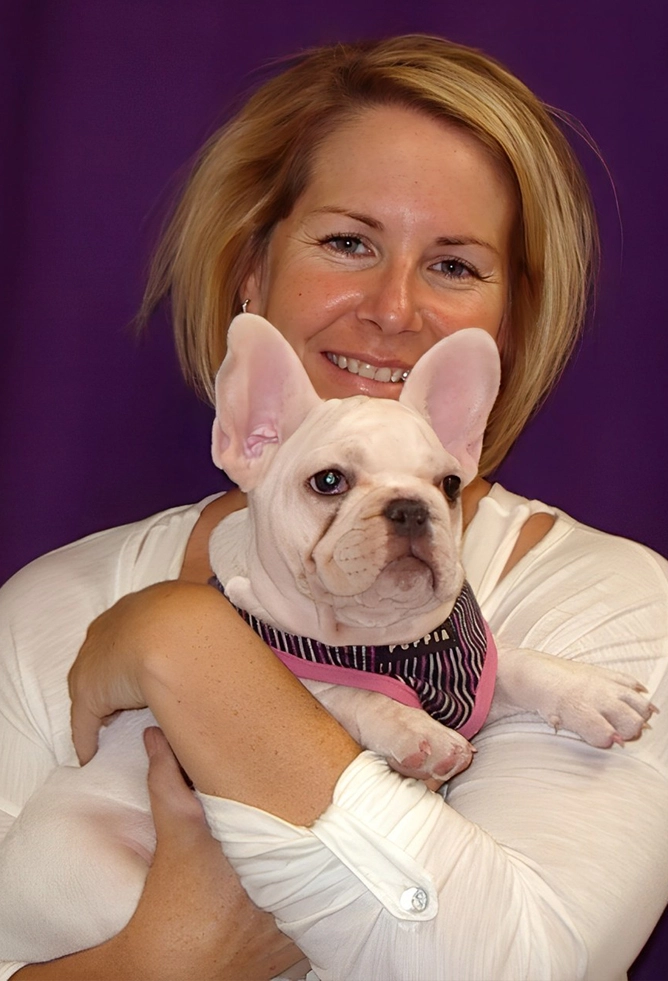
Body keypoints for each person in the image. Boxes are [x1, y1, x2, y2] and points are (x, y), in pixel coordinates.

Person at [1, 34, 667, 981]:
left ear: (503, 330)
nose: (395, 309)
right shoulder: (52, 606)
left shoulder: (616, 610)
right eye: (348, 242)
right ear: (253, 278)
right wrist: (167, 957)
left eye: (455, 264)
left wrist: (187, 647)